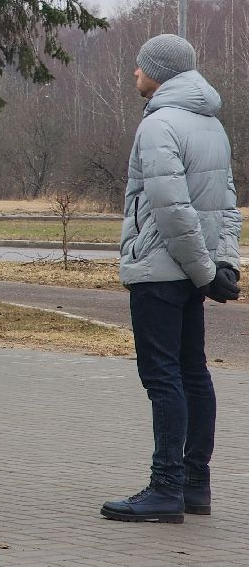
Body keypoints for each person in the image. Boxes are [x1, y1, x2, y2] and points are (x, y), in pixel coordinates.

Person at [101, 34, 240, 524]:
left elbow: (170, 209)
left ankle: (166, 488)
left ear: (159, 71)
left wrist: (207, 272)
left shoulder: (159, 125)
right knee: (193, 372)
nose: (134, 74)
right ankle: (195, 486)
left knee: (164, 377)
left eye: (140, 66)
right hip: (191, 272)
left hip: (161, 272)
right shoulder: (212, 126)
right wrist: (223, 266)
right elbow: (227, 205)